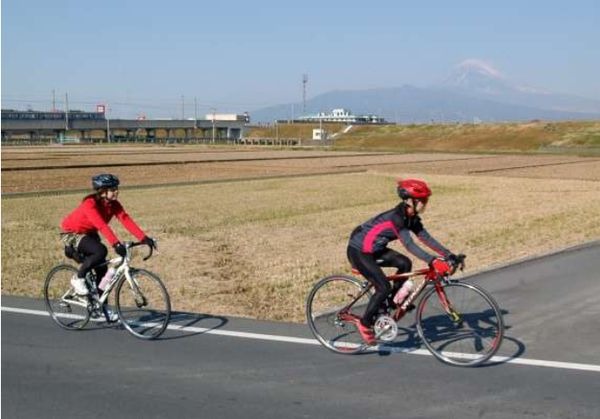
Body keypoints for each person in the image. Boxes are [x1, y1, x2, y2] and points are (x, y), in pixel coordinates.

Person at [347, 178, 459, 345]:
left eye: (425, 200)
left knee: (405, 263)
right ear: (410, 201)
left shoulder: (411, 217)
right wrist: (432, 260)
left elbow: (425, 237)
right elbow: (409, 244)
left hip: (375, 249)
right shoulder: (396, 218)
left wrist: (449, 255)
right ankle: (364, 323)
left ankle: (392, 302)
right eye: (422, 200)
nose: (425, 204)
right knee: (383, 286)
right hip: (359, 251)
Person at [60, 174, 156, 319]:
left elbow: (125, 219)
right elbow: (101, 225)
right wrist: (115, 244)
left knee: (102, 269)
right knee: (100, 251)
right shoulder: (90, 204)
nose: (116, 191)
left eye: (117, 188)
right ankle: (78, 278)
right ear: (102, 191)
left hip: (89, 233)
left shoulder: (113, 204)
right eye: (113, 189)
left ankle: (100, 308)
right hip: (72, 232)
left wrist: (144, 238)